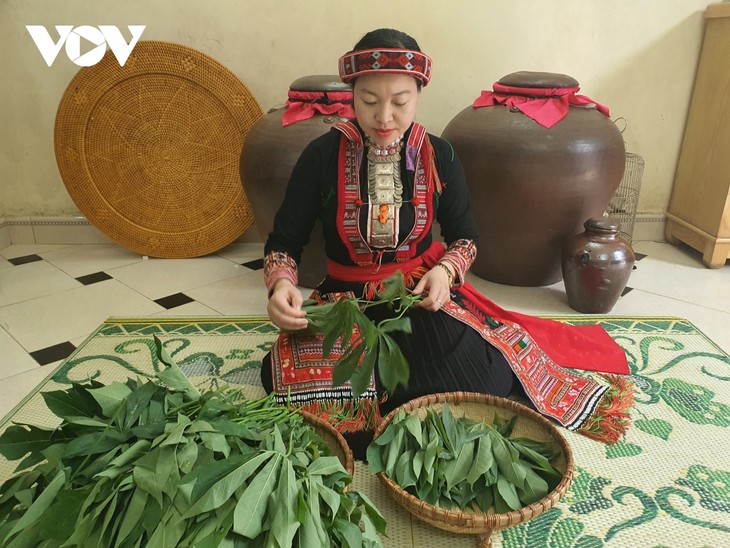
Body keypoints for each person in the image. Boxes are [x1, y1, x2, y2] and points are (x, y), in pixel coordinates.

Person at [261, 28, 634, 451]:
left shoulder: (440, 155)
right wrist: (283, 285)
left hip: (416, 294)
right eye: (369, 101)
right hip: (343, 303)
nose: (384, 116)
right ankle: (393, 407)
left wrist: (443, 272)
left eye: (400, 102)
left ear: (418, 94)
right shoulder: (321, 157)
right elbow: (284, 241)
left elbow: (465, 238)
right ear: (352, 95)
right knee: (284, 380)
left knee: (485, 378)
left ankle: (396, 403)